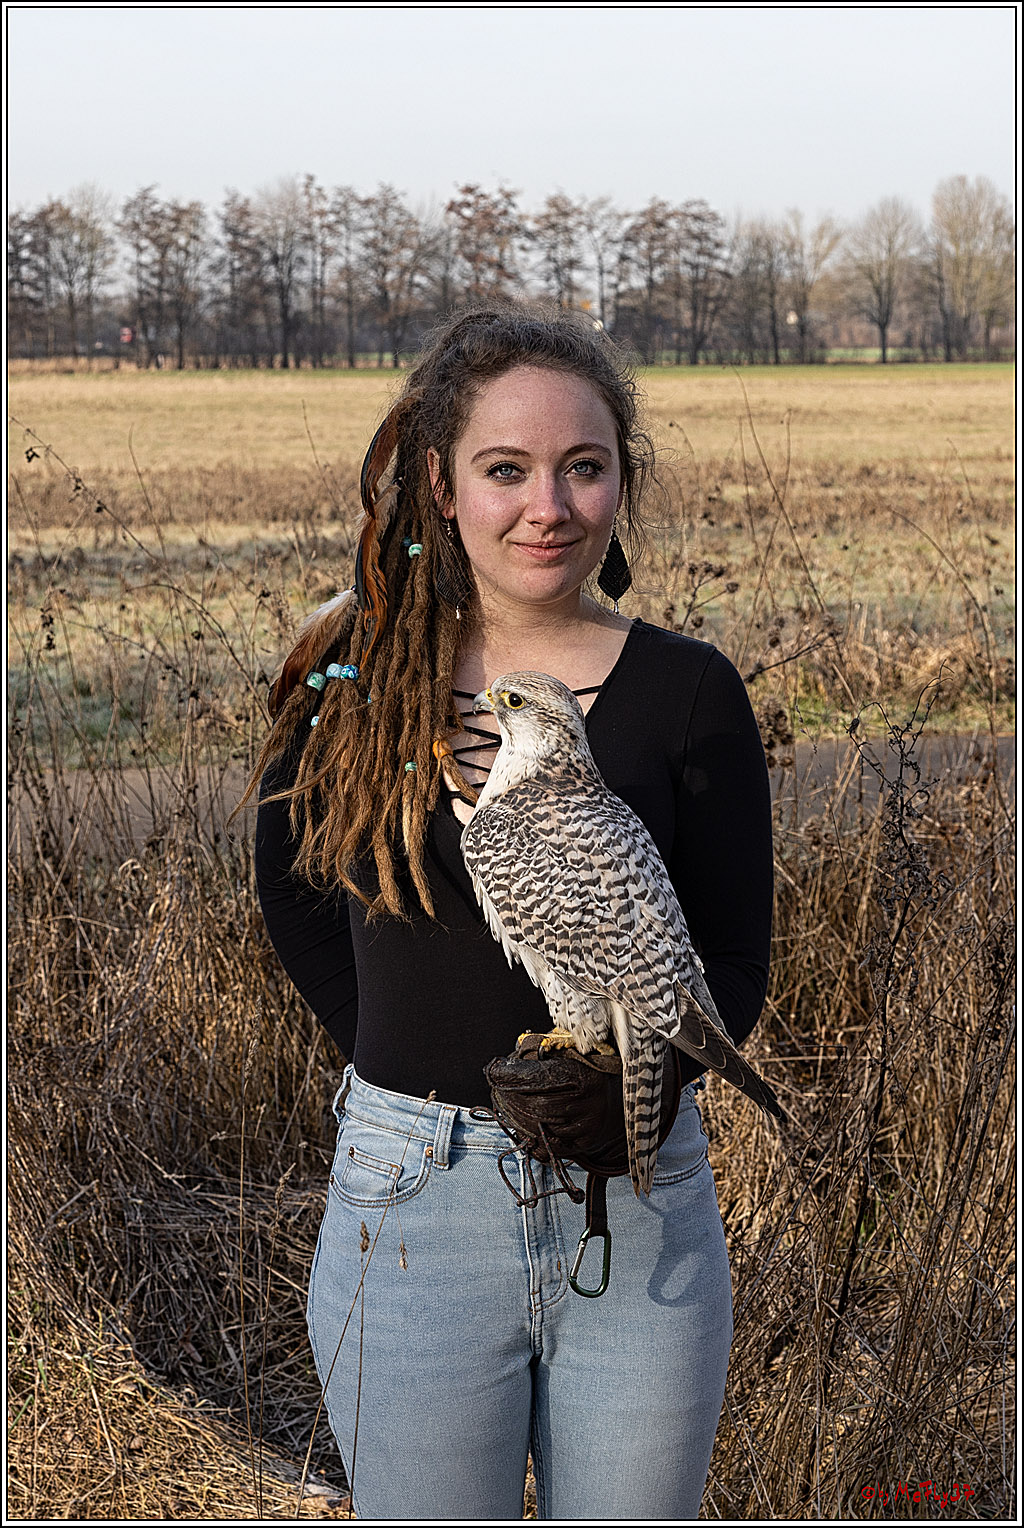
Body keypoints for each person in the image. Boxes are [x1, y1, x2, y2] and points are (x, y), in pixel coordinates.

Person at [250, 304, 773, 1520]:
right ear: (439, 484)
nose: (548, 503)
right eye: (506, 469)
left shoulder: (690, 691)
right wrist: (395, 1077)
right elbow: (288, 892)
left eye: (583, 468)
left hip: (634, 1198)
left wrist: (636, 1082)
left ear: (619, 485)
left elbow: (731, 959)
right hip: (412, 1210)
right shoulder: (354, 669)